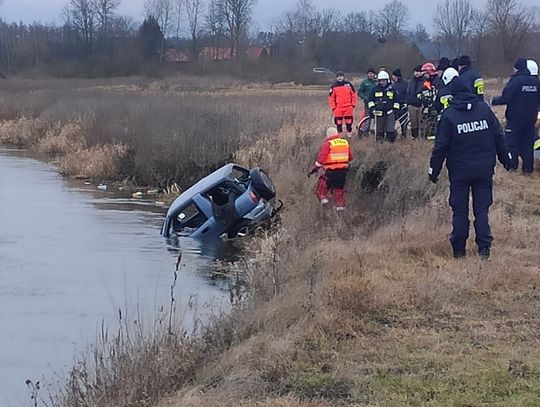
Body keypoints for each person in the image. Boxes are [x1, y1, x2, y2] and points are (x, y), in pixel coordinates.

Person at [429, 76, 512, 259]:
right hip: (484, 169)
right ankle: (484, 249)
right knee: (481, 210)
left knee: (460, 210)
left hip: (460, 172)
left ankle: (459, 250)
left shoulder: (449, 115)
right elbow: (498, 135)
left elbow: (440, 146)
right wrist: (506, 159)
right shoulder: (484, 109)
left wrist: (433, 170)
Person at [492, 58, 540, 174]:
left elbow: (507, 97)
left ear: (517, 68)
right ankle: (528, 170)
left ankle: (512, 168)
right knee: (528, 144)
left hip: (515, 119)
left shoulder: (515, 81)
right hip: (531, 119)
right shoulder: (536, 82)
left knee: (512, 144)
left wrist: (494, 101)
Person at [309, 127, 353, 211]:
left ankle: (324, 200)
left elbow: (321, 158)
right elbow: (350, 157)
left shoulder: (328, 144)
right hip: (343, 172)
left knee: (322, 185)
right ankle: (340, 208)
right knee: (339, 190)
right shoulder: (345, 142)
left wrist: (315, 168)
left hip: (331, 171)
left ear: (328, 136)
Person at [368, 71, 400, 143]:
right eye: (380, 81)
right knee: (379, 129)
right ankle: (380, 144)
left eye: (384, 81)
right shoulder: (374, 89)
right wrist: (372, 109)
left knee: (390, 129)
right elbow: (370, 101)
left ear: (387, 80)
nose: (382, 82)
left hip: (390, 112)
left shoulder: (392, 89)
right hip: (379, 113)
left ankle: (390, 144)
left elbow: (397, 101)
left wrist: (395, 111)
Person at [328, 71, 357, 138]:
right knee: (338, 122)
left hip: (348, 107)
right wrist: (333, 107)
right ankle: (339, 135)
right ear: (336, 78)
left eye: (341, 76)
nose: (339, 78)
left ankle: (349, 135)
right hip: (338, 108)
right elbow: (331, 98)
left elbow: (353, 95)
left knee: (349, 121)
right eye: (338, 76)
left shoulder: (348, 84)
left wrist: (353, 105)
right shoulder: (334, 86)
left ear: (343, 77)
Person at [417, 62, 439, 140]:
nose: (424, 76)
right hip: (427, 108)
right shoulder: (427, 82)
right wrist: (422, 97)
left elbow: (437, 95)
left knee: (433, 127)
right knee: (425, 125)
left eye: (425, 73)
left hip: (435, 109)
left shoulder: (437, 81)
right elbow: (420, 92)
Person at [406, 65, 425, 139]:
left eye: (418, 71)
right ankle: (415, 137)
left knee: (422, 123)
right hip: (412, 105)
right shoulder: (411, 81)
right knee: (413, 123)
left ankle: (422, 138)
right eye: (415, 71)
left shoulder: (424, 81)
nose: (416, 73)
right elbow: (408, 92)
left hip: (421, 105)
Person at [358, 68, 377, 136]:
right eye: (369, 73)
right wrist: (365, 98)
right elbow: (359, 92)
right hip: (367, 104)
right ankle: (365, 132)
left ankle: (375, 131)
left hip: (377, 104)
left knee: (377, 119)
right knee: (367, 119)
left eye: (372, 73)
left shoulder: (377, 82)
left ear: (374, 74)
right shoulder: (364, 82)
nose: (370, 75)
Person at [392, 68, 409, 138]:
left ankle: (404, 135)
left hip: (403, 105)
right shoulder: (394, 84)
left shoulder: (405, 84)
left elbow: (408, 94)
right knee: (393, 120)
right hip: (395, 105)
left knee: (403, 122)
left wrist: (406, 102)